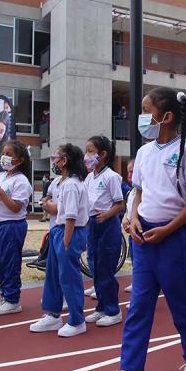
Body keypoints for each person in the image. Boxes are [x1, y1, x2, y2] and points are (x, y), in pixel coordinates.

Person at [101, 88, 186, 371]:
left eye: (146, 110)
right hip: (144, 237)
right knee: (139, 306)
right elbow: (138, 192)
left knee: (181, 302)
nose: (140, 116)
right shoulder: (145, 153)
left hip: (175, 236)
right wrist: (132, 218)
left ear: (166, 116)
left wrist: (168, 229)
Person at [29, 144, 89, 337]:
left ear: (65, 161)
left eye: (57, 157)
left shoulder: (72, 184)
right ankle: (54, 315)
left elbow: (70, 216)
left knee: (68, 277)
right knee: (53, 275)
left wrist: (66, 241)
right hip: (59, 231)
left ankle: (77, 320)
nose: (54, 160)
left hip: (68, 232)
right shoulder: (62, 183)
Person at [0, 140, 33, 316]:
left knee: (10, 262)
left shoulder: (21, 181)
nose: (4, 157)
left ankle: (13, 300)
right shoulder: (0, 177)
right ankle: (5, 295)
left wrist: (0, 192)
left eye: (9, 154)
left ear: (19, 160)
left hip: (12, 225)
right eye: (4, 153)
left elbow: (16, 207)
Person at [83, 136, 126, 328]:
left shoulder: (111, 177)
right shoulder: (89, 177)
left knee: (106, 268)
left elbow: (119, 204)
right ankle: (101, 306)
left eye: (91, 151)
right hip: (92, 225)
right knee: (96, 268)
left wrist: (107, 215)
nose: (87, 155)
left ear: (103, 154)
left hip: (107, 225)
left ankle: (113, 310)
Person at [122, 159, 135, 293]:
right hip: (132, 232)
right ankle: (136, 281)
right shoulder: (131, 192)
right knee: (134, 259)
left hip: (139, 231)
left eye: (132, 171)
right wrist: (125, 219)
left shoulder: (144, 191)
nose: (129, 175)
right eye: (128, 172)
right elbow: (128, 209)